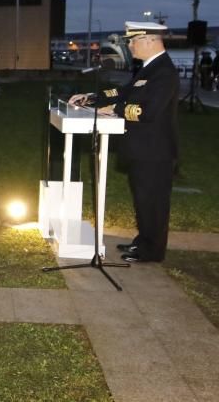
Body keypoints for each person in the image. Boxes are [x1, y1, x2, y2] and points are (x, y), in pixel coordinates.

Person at [69, 21, 180, 263]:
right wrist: (92, 98)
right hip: (142, 149)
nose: (129, 45)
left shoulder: (164, 72)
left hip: (154, 151)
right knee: (143, 198)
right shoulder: (148, 68)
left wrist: (115, 110)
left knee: (153, 202)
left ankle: (152, 251)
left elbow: (149, 111)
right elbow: (124, 91)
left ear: (150, 40)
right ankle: (143, 242)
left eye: (133, 40)